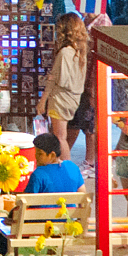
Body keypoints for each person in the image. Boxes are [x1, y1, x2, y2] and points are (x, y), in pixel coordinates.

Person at [43, 13, 89, 156]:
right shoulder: (81, 52)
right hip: (73, 98)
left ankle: (66, 169)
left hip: (60, 99)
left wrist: (43, 100)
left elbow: (56, 79)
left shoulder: (64, 53)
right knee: (60, 136)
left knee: (59, 137)